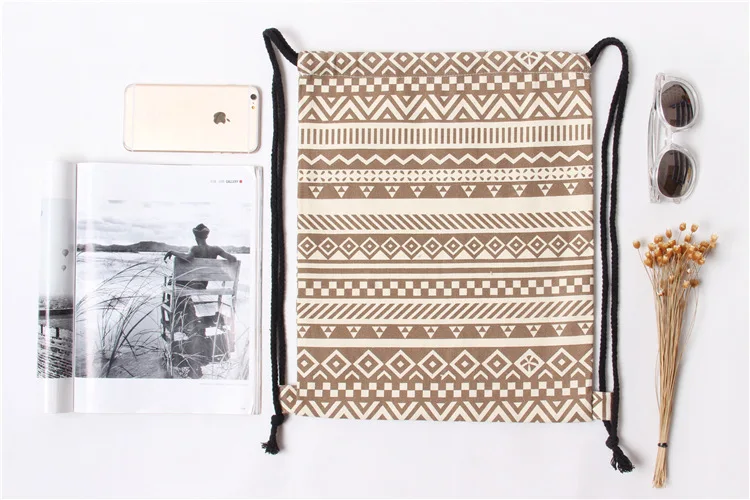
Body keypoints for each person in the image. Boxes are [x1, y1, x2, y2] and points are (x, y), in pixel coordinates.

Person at [163, 224, 237, 378]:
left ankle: (180, 315)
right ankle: (188, 314)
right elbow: (233, 259)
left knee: (172, 283)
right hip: (202, 285)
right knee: (179, 285)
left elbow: (188, 258)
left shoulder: (195, 249)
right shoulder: (216, 249)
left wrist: (172, 252)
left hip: (190, 285)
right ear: (207, 236)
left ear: (196, 237)